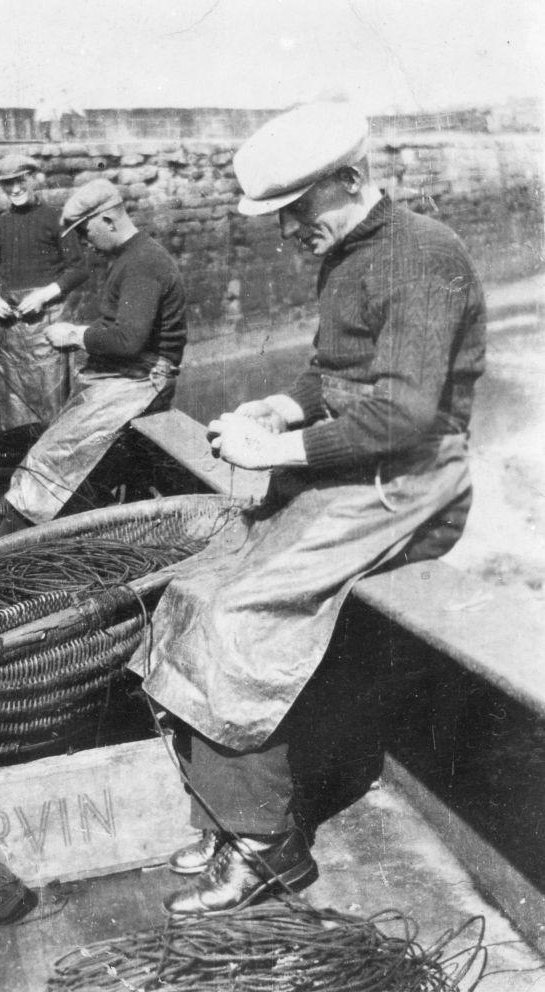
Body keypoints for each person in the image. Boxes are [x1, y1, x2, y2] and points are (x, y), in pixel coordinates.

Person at [132, 102, 486, 916]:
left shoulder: (423, 256)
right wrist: (277, 412)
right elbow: (332, 375)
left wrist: (280, 453)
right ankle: (224, 817)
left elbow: (403, 415)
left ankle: (265, 850)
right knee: (190, 588)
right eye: (281, 220)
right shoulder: (351, 254)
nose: (290, 235)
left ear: (351, 181)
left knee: (239, 612)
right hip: (352, 467)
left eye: (297, 213)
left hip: (409, 482)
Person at [0, 178, 187, 532]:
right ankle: (31, 520)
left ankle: (17, 534)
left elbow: (129, 340)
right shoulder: (133, 256)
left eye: (85, 232)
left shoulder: (142, 263)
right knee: (53, 445)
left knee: (51, 456)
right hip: (128, 376)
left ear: (109, 221)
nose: (85, 243)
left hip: (143, 381)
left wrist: (75, 334)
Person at [0, 154, 88, 435]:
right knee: (15, 406)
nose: (14, 189)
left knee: (53, 405)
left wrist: (42, 296)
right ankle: (21, 454)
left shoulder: (55, 219)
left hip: (48, 322)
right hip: (12, 330)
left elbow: (79, 269)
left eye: (20, 181)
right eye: (7, 184)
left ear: (34, 179)